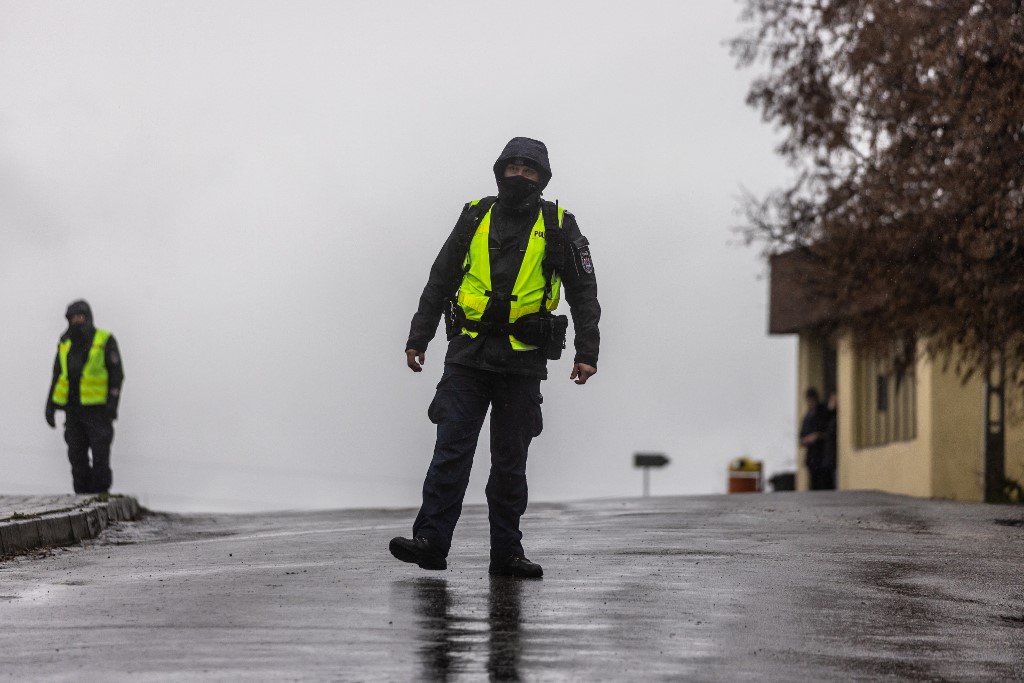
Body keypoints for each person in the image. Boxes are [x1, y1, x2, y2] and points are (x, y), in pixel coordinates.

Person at [390, 137, 601, 578]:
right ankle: (430, 542)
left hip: (522, 365)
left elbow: (584, 292)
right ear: (500, 171)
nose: (520, 175)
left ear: (543, 178)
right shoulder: (474, 215)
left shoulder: (561, 223)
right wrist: (418, 337)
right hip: (466, 357)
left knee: (509, 466)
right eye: (513, 167)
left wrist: (587, 352)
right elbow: (440, 278)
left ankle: (506, 554)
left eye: (530, 170)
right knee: (450, 453)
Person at [45, 300, 124, 494]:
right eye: (73, 317)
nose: (76, 320)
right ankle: (82, 497)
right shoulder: (65, 344)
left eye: (80, 316)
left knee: (100, 454)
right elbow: (57, 375)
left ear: (88, 317)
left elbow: (116, 374)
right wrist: (50, 405)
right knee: (76, 455)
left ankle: (100, 496)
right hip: (72, 409)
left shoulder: (104, 340)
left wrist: (112, 406)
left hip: (98, 410)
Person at [799, 387, 834, 490]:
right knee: (814, 485)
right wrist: (807, 439)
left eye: (812, 400)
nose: (810, 402)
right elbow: (801, 437)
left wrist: (817, 435)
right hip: (812, 458)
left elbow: (830, 431)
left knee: (825, 484)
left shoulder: (823, 412)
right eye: (809, 400)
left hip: (824, 456)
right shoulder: (807, 417)